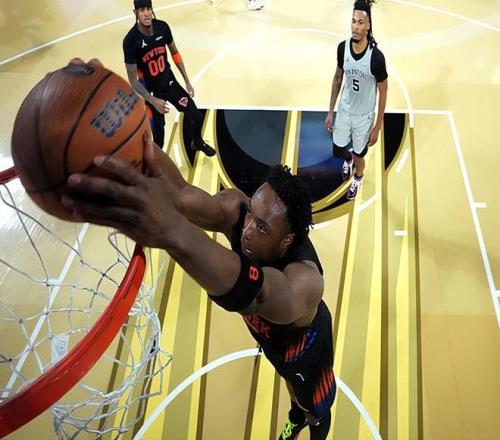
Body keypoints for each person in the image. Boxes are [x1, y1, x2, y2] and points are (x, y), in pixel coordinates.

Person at [62, 59, 336, 439]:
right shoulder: (238, 210)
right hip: (270, 339)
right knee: (287, 381)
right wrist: (131, 139)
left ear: (287, 241)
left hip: (303, 348)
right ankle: (296, 411)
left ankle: (311, 422)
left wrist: (171, 232)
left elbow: (255, 294)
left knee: (314, 404)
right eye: (251, 214)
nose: (247, 231)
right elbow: (182, 196)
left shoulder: (304, 283)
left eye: (262, 227)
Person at [122, 0, 215, 156]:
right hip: (152, 94)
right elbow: (133, 80)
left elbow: (175, 53)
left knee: (196, 116)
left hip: (170, 84)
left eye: (148, 9)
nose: (146, 13)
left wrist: (187, 81)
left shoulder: (162, 27)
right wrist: (152, 100)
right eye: (142, 10)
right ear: (135, 12)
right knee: (159, 139)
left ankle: (197, 142)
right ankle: (156, 164)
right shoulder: (130, 41)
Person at [325, 0, 388, 200]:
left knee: (360, 156)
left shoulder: (376, 58)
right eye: (353, 21)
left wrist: (377, 127)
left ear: (368, 25)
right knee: (338, 150)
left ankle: (358, 177)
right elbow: (337, 79)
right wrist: (330, 111)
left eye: (360, 22)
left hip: (363, 118)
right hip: (345, 111)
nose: (355, 27)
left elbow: (384, 92)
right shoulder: (342, 48)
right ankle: (348, 159)